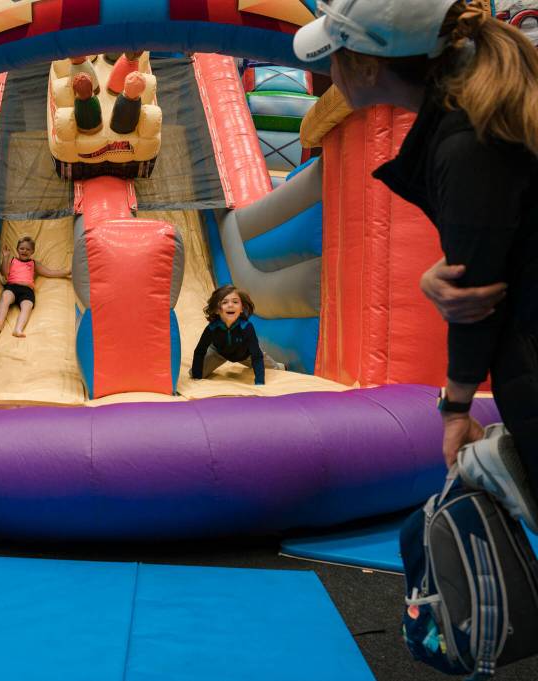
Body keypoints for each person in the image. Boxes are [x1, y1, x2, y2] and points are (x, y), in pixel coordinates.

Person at [294, 0, 538, 529]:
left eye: (335, 57)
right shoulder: (479, 108)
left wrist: (455, 410)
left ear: (366, 68)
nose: (329, 72)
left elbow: (476, 300)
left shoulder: (467, 141)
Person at [190, 285, 283, 385]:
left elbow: (256, 356)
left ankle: (279, 365)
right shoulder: (212, 328)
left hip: (246, 354)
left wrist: (259, 382)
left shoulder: (246, 327)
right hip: (218, 352)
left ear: (242, 308)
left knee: (276, 370)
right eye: (225, 302)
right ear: (217, 310)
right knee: (194, 373)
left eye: (235, 302)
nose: (230, 305)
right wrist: (197, 378)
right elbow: (200, 351)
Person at [0, 235, 70, 338]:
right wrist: (6, 257)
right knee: (5, 297)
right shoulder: (12, 260)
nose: (24, 251)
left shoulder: (33, 263)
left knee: (27, 306)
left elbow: (49, 272)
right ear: (17, 249)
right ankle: (0, 323)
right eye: (22, 248)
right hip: (12, 287)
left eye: (28, 249)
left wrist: (67, 272)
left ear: (32, 251)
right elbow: (4, 273)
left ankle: (18, 329)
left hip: (27, 290)